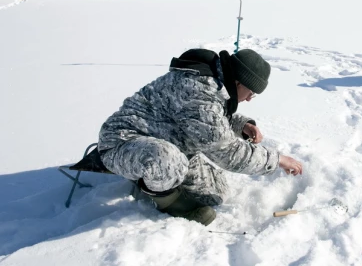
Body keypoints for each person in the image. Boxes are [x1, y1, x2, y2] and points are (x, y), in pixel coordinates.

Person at [97, 49, 303, 226]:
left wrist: (242, 125)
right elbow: (228, 152)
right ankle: (151, 191)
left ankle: (156, 178)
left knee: (215, 193)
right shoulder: (198, 90)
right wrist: (277, 160)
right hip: (123, 142)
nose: (250, 99)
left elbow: (210, 118)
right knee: (166, 161)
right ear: (238, 81)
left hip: (166, 140)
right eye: (251, 92)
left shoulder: (215, 83)